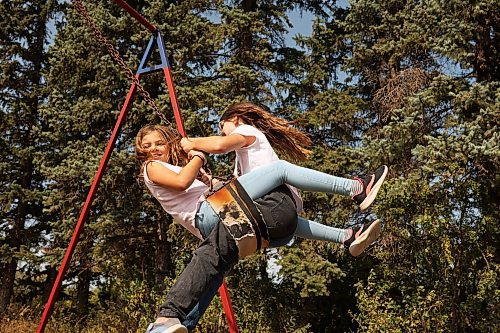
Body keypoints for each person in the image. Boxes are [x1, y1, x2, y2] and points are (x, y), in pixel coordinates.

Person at [135, 124, 387, 333]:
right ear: (141, 151)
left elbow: (200, 184)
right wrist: (198, 154)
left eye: (159, 143)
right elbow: (181, 182)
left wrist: (206, 178)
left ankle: (345, 236)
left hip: (215, 213)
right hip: (210, 212)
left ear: (168, 144)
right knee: (280, 170)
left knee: (217, 268)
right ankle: (355, 188)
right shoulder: (151, 167)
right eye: (147, 146)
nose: (154, 150)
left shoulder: (174, 166)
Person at [180, 102, 385, 246]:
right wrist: (208, 180)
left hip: (272, 191)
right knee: (291, 222)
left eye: (221, 125)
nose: (221, 130)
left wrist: (192, 143)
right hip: (268, 199)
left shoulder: (248, 131)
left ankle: (355, 188)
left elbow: (219, 145)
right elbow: (237, 185)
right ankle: (347, 236)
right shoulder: (241, 159)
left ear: (234, 118)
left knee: (282, 169)